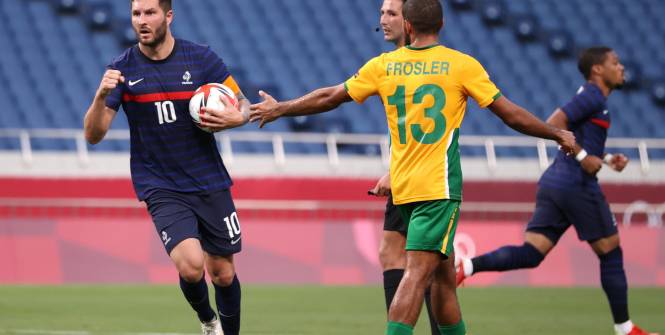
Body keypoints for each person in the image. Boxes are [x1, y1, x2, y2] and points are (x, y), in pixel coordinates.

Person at [249, 0, 575, 333]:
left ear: (408, 26)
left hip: (403, 189)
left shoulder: (385, 66)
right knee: (417, 274)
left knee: (444, 279)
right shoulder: (461, 65)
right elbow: (510, 114)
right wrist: (555, 132)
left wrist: (281, 109)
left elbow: (329, 96)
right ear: (442, 24)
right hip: (438, 190)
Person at [455, 47, 660, 335]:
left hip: (556, 182)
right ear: (598, 70)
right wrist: (581, 157)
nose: (621, 67)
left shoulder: (592, 98)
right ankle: (626, 329)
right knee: (610, 252)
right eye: (615, 62)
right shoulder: (591, 95)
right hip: (576, 184)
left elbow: (583, 147)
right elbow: (554, 124)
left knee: (532, 252)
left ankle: (467, 265)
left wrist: (605, 160)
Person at [83, 1, 248, 334]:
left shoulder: (202, 59)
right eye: (136, 14)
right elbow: (93, 135)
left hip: (208, 180)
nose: (141, 21)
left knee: (223, 274)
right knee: (191, 268)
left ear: (168, 16)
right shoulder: (122, 69)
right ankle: (207, 320)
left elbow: (241, 103)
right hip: (160, 184)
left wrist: (238, 116)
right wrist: (101, 95)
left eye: (149, 13)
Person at [368, 1, 438, 334]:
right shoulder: (393, 64)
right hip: (409, 172)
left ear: (409, 22)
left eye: (391, 14)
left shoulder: (416, 64)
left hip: (425, 179)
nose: (383, 19)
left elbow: (426, 130)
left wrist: (396, 171)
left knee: (430, 267)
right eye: (381, 12)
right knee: (396, 253)